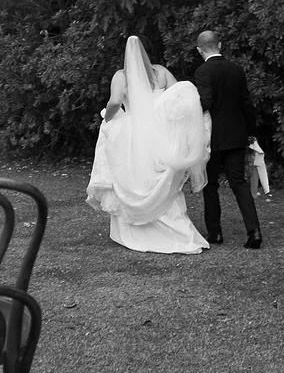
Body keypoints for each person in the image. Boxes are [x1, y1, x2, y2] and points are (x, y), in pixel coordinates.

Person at [87, 36, 210, 254]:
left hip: (132, 135)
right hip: (160, 132)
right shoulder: (160, 72)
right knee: (161, 179)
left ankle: (138, 231)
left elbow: (115, 102)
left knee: (135, 179)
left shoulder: (121, 76)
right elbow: (179, 95)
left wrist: (108, 118)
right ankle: (179, 232)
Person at [193, 30, 263, 249]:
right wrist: (251, 133)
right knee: (239, 183)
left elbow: (205, 102)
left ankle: (215, 233)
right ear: (220, 45)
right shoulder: (236, 69)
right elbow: (247, 104)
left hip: (212, 137)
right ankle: (254, 232)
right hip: (236, 135)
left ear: (199, 50)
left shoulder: (203, 71)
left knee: (210, 185)